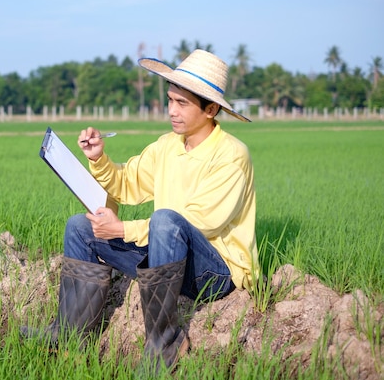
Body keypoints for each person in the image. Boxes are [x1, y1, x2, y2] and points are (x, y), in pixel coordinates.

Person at [23, 49, 258, 373]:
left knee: (166, 220)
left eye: (182, 103)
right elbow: (127, 183)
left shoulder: (232, 155)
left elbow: (198, 222)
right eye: (170, 100)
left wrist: (122, 231)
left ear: (211, 109)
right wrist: (98, 159)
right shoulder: (167, 146)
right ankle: (69, 339)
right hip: (168, 255)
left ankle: (163, 346)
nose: (171, 111)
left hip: (215, 272)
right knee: (80, 227)